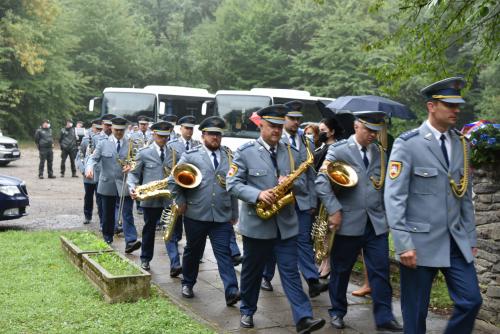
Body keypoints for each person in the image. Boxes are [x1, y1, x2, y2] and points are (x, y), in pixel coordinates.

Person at [384, 77, 482, 334]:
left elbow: (464, 195)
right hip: (419, 243)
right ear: (431, 106)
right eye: (449, 105)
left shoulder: (462, 143)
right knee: (415, 315)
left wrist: (470, 237)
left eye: (457, 105)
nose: (456, 110)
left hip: (455, 241)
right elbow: (394, 198)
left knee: (472, 300)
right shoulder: (409, 143)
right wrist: (403, 243)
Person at [227, 104, 325, 333]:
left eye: (280, 127)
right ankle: (247, 311)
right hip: (258, 224)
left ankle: (303, 318)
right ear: (261, 125)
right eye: (272, 126)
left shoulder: (290, 151)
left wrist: (289, 183)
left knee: (290, 272)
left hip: (286, 225)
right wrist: (259, 194)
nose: (277, 131)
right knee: (252, 271)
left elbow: (302, 183)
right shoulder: (245, 151)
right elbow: (232, 184)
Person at [315, 111, 402, 332]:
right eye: (369, 130)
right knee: (342, 270)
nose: (373, 135)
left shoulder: (381, 153)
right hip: (348, 221)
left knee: (380, 271)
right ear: (356, 126)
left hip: (375, 223)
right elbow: (321, 182)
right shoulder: (339, 150)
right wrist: (334, 210)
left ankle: (384, 318)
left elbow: (384, 186)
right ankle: (337, 311)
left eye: (376, 131)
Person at [168, 116, 240, 306]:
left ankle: (232, 291)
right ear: (203, 135)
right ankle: (188, 283)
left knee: (224, 252)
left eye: (218, 134)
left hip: (222, 215)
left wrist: (234, 212)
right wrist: (181, 201)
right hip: (196, 214)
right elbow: (172, 180)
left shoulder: (229, 156)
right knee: (193, 250)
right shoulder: (192, 156)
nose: (215, 138)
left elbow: (232, 186)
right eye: (211, 134)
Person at [276, 100, 328, 298]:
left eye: (299, 119)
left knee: (304, 240)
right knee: (277, 241)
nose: (296, 122)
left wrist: (313, 200)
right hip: (282, 199)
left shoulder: (307, 141)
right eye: (292, 118)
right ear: (283, 119)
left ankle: (312, 280)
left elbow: (311, 174)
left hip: (303, 200)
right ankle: (265, 274)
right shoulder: (276, 139)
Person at [85, 116, 141, 253]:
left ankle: (130, 241)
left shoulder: (131, 143)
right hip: (107, 183)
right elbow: (93, 158)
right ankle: (107, 238)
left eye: (121, 130)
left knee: (127, 213)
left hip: (124, 183)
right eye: (116, 130)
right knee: (107, 214)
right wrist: (89, 168)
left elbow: (138, 160)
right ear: (111, 128)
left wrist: (132, 167)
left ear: (125, 129)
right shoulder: (103, 143)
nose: (118, 133)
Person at [129, 121, 174, 271]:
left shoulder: (174, 153)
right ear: (153, 134)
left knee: (170, 229)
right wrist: (132, 188)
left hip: (168, 198)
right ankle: (145, 258)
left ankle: (175, 263)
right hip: (150, 199)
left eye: (166, 137)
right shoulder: (144, 152)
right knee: (149, 229)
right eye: (160, 136)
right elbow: (134, 174)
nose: (163, 139)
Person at [312, 116, 344, 280]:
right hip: (319, 194)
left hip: (329, 194)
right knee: (322, 230)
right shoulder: (322, 148)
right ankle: (324, 262)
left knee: (327, 230)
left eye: (323, 130)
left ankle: (328, 263)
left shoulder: (336, 149)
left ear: (332, 131)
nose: (321, 133)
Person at [76, 119, 103, 225]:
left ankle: (102, 219)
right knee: (88, 196)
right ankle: (87, 216)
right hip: (88, 174)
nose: (99, 131)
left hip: (100, 174)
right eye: (97, 129)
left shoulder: (104, 139)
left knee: (100, 198)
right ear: (92, 127)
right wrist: (84, 170)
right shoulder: (86, 139)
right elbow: (80, 156)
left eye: (101, 129)